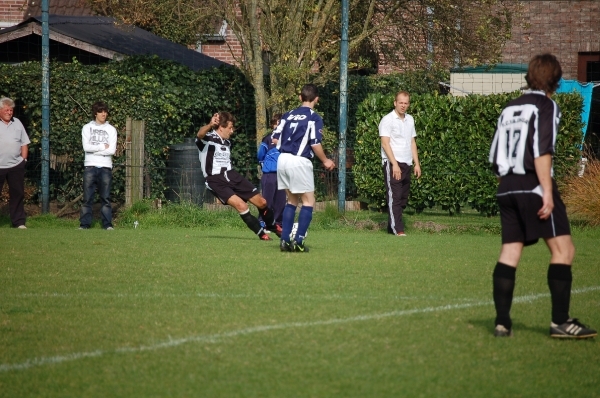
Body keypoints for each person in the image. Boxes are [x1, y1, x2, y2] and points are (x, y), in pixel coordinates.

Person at [489, 53, 596, 339]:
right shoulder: (546, 105)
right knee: (564, 251)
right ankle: (560, 321)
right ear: (556, 80)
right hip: (534, 185)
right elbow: (541, 150)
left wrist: (510, 186)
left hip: (506, 186)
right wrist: (546, 192)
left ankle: (502, 323)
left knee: (510, 252)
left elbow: (495, 156)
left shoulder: (509, 107)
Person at [196, 111, 282, 240]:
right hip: (215, 180)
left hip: (232, 175)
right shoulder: (207, 140)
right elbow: (200, 134)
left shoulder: (227, 143)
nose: (232, 131)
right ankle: (261, 234)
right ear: (221, 127)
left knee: (262, 202)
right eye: (230, 128)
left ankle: (272, 226)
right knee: (242, 206)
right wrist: (209, 124)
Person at [274, 84, 335, 252]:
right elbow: (315, 143)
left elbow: (274, 138)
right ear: (317, 99)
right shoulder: (314, 117)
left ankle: (285, 241)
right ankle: (299, 242)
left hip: (283, 159)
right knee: (308, 201)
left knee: (292, 200)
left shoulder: (287, 115)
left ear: (300, 98)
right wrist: (325, 160)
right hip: (299, 161)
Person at [379, 91, 421, 236]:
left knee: (403, 198)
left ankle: (392, 227)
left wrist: (417, 164)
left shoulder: (410, 120)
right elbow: (385, 144)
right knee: (395, 197)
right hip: (393, 164)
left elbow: (412, 142)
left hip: (407, 163)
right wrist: (394, 164)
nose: (403, 105)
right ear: (395, 103)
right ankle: (398, 229)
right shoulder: (387, 120)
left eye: (406, 103)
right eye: (400, 102)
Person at [79, 101, 118, 230]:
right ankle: (84, 225)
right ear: (95, 112)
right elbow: (86, 147)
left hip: (105, 166)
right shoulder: (87, 128)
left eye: (105, 112)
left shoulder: (111, 130)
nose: (103, 114)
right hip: (90, 166)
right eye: (101, 111)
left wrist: (95, 149)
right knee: (87, 198)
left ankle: (107, 225)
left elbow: (111, 150)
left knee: (106, 198)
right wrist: (102, 146)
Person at [0, 97, 30, 229]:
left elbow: (24, 142)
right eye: (6, 109)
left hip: (16, 166)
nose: (9, 112)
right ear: (0, 110)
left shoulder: (17, 122)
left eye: (11, 109)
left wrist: (23, 160)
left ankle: (18, 222)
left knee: (17, 194)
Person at [257, 113, 286, 230]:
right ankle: (262, 223)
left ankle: (278, 224)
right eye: (276, 123)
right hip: (269, 175)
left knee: (281, 202)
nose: (278, 125)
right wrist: (266, 165)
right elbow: (260, 155)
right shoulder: (267, 139)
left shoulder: (286, 141)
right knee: (266, 201)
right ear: (272, 125)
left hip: (283, 175)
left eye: (280, 123)